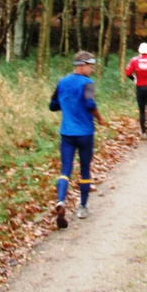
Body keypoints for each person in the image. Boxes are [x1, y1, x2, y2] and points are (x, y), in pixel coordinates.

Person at [48, 50, 104, 228]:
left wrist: (68, 105)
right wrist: (99, 117)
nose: (92, 70)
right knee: (85, 169)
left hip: (67, 133)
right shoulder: (88, 84)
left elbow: (53, 105)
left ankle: (61, 201)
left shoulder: (62, 82)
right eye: (90, 66)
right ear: (82, 66)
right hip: (85, 133)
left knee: (65, 169)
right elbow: (90, 104)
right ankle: (82, 207)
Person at [125, 42, 147, 138]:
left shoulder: (134, 60)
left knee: (142, 111)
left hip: (140, 88)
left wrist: (134, 78)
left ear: (139, 50)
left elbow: (128, 72)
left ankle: (143, 132)